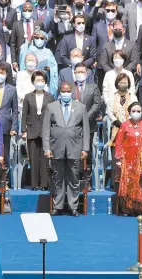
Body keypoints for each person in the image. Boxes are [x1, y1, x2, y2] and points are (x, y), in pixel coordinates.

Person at [42, 82, 89, 216]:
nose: (66, 93)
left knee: (74, 178)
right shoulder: (51, 107)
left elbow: (85, 129)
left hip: (75, 147)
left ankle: (73, 206)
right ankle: (58, 205)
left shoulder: (81, 107)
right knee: (57, 177)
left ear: (72, 92)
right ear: (59, 92)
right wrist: (46, 148)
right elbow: (46, 129)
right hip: (56, 147)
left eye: (68, 91)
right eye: (63, 91)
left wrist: (85, 149)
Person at [114, 102, 142, 216]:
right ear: (129, 112)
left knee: (140, 185)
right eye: (133, 111)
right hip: (127, 161)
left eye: (138, 111)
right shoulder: (125, 125)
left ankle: (140, 208)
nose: (136, 113)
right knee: (128, 184)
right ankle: (127, 209)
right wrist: (119, 158)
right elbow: (118, 142)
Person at [21, 71, 55, 190]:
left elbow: (53, 114)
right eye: (37, 80)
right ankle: (34, 184)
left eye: (42, 80)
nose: (39, 83)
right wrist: (23, 130)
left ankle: (44, 184)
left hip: (46, 131)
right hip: (32, 130)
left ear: (45, 82)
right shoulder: (28, 96)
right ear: (33, 82)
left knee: (45, 158)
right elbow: (24, 114)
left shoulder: (50, 96)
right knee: (34, 159)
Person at [18, 31, 58, 95]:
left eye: (42, 38)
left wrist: (50, 69)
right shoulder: (29, 49)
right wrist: (30, 39)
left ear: (45, 40)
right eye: (37, 38)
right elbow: (22, 54)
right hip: (29, 80)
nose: (39, 40)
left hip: (43, 80)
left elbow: (54, 67)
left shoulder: (48, 52)